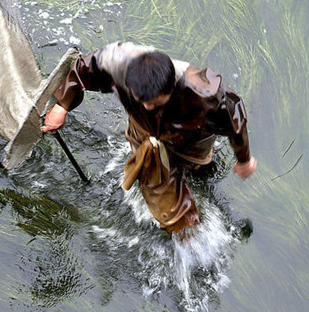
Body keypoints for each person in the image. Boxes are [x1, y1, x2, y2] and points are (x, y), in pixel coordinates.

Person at [41, 41, 257, 234]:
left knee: (199, 165)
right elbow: (82, 71)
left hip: (191, 135)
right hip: (143, 128)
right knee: (165, 195)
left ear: (171, 87)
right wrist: (62, 106)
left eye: (154, 103)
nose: (148, 106)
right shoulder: (116, 64)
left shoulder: (203, 94)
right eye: (141, 99)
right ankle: (184, 232)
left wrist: (244, 159)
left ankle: (193, 167)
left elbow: (235, 120)